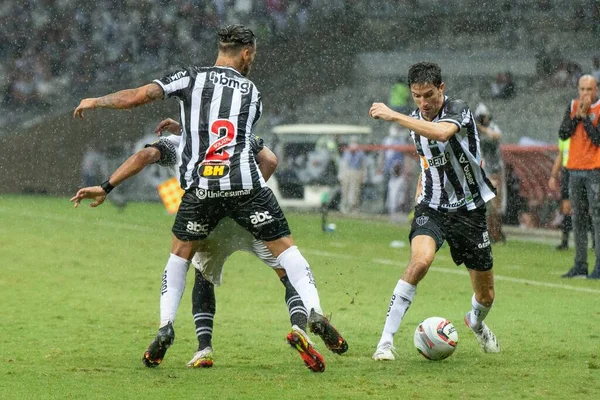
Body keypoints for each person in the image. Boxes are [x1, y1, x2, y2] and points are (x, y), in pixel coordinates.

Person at [73, 25, 347, 370]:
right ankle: (314, 313)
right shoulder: (252, 92)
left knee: (180, 257)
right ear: (246, 53)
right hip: (246, 186)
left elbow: (138, 96)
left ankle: (166, 328)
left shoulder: (189, 77)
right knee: (287, 253)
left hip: (202, 190)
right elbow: (243, 141)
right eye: (253, 56)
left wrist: (96, 102)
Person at [71, 120, 327, 371]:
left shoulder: (174, 144)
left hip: (204, 215)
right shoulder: (235, 133)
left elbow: (144, 155)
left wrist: (107, 187)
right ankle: (299, 326)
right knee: (286, 271)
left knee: (200, 276)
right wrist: (253, 192)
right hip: (246, 213)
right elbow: (270, 160)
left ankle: (196, 344)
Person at [368, 62, 500, 361]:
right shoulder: (415, 120)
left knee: (486, 295)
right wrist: (419, 195)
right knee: (420, 263)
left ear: (441, 88)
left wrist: (395, 115)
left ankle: (476, 323)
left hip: (469, 210)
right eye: (416, 96)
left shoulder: (459, 110)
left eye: (429, 95)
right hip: (433, 207)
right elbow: (428, 163)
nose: (423, 103)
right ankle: (385, 342)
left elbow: (441, 134)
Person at [558, 75, 600, 279]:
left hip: (594, 170)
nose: (585, 94)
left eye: (589, 89)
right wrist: (577, 117)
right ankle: (580, 264)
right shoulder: (572, 106)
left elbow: (598, 139)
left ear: (596, 90)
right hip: (574, 169)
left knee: (597, 219)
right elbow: (563, 133)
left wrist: (585, 119)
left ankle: (599, 265)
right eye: (582, 89)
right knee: (578, 220)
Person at [474, 103, 506, 243]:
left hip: (495, 169)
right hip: (483, 169)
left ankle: (496, 231)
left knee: (496, 201)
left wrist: (482, 128)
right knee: (485, 202)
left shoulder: (491, 127)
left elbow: (496, 135)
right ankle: (488, 232)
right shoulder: (475, 132)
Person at [548, 139, 572, 250]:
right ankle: (565, 242)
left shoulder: (584, 131)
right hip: (567, 171)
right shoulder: (565, 134)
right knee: (566, 208)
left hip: (583, 170)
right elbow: (561, 155)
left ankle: (595, 244)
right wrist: (553, 175)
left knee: (588, 207)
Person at [339, 137, 366, 214]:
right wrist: (341, 175)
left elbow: (363, 166)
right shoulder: (347, 152)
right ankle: (344, 208)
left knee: (355, 192)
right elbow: (343, 164)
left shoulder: (360, 153)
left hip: (356, 172)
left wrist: (363, 176)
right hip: (347, 173)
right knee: (345, 191)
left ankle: (354, 209)